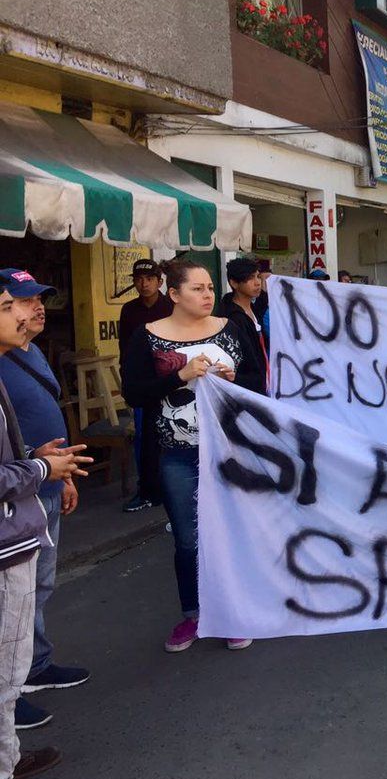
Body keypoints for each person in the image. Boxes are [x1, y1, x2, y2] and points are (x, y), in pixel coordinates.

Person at [121, 260, 252, 654]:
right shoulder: (148, 337)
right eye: (197, 288)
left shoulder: (230, 329)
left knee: (232, 533)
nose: (208, 294)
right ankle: (193, 615)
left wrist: (233, 381)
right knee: (187, 540)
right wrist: (179, 377)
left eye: (210, 287)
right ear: (174, 294)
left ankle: (232, 611)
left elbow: (259, 382)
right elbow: (135, 394)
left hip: (231, 451)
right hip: (178, 454)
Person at [0, 281, 90, 779]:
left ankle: (6, 760)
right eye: (7, 305)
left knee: (9, 671)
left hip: (16, 536)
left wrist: (35, 459)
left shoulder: (14, 362)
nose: (23, 313)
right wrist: (38, 472)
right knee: (4, 671)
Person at [117, 259, 173, 514]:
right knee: (144, 438)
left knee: (174, 436)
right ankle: (147, 490)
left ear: (159, 282)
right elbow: (125, 350)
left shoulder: (172, 306)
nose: (144, 283)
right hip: (143, 382)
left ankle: (174, 489)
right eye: (139, 279)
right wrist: (127, 383)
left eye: (149, 278)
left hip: (173, 379)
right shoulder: (129, 310)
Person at [214, 258, 269, 396]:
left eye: (258, 276)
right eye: (250, 278)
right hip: (245, 389)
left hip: (263, 381)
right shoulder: (232, 318)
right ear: (234, 283)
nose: (257, 282)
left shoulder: (255, 308)